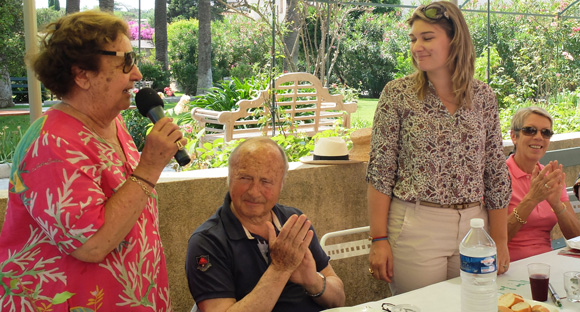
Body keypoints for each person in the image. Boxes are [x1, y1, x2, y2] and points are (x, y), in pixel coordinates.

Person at [0, 11, 184, 311]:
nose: (136, 74)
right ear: (82, 74)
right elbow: (91, 244)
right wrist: (150, 166)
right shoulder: (51, 144)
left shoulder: (111, 123)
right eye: (125, 61)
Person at [366, 1, 512, 294]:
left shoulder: (483, 96)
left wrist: (500, 239)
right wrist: (378, 239)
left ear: (455, 40)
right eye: (413, 39)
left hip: (475, 226)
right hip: (417, 226)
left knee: (475, 304)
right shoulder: (398, 94)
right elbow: (381, 172)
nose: (417, 46)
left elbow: (495, 172)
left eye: (427, 37)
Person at [185, 137, 345, 312]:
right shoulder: (207, 241)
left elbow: (339, 299)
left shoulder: (293, 221)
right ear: (229, 178)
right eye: (245, 178)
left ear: (281, 185)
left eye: (266, 181)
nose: (254, 192)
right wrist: (280, 269)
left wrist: (313, 281)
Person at [506, 107, 580, 261]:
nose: (539, 137)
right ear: (514, 136)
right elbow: (491, 240)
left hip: (546, 264)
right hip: (508, 266)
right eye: (530, 130)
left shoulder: (550, 176)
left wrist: (557, 205)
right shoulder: (498, 176)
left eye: (546, 132)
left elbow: (576, 238)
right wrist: (532, 199)